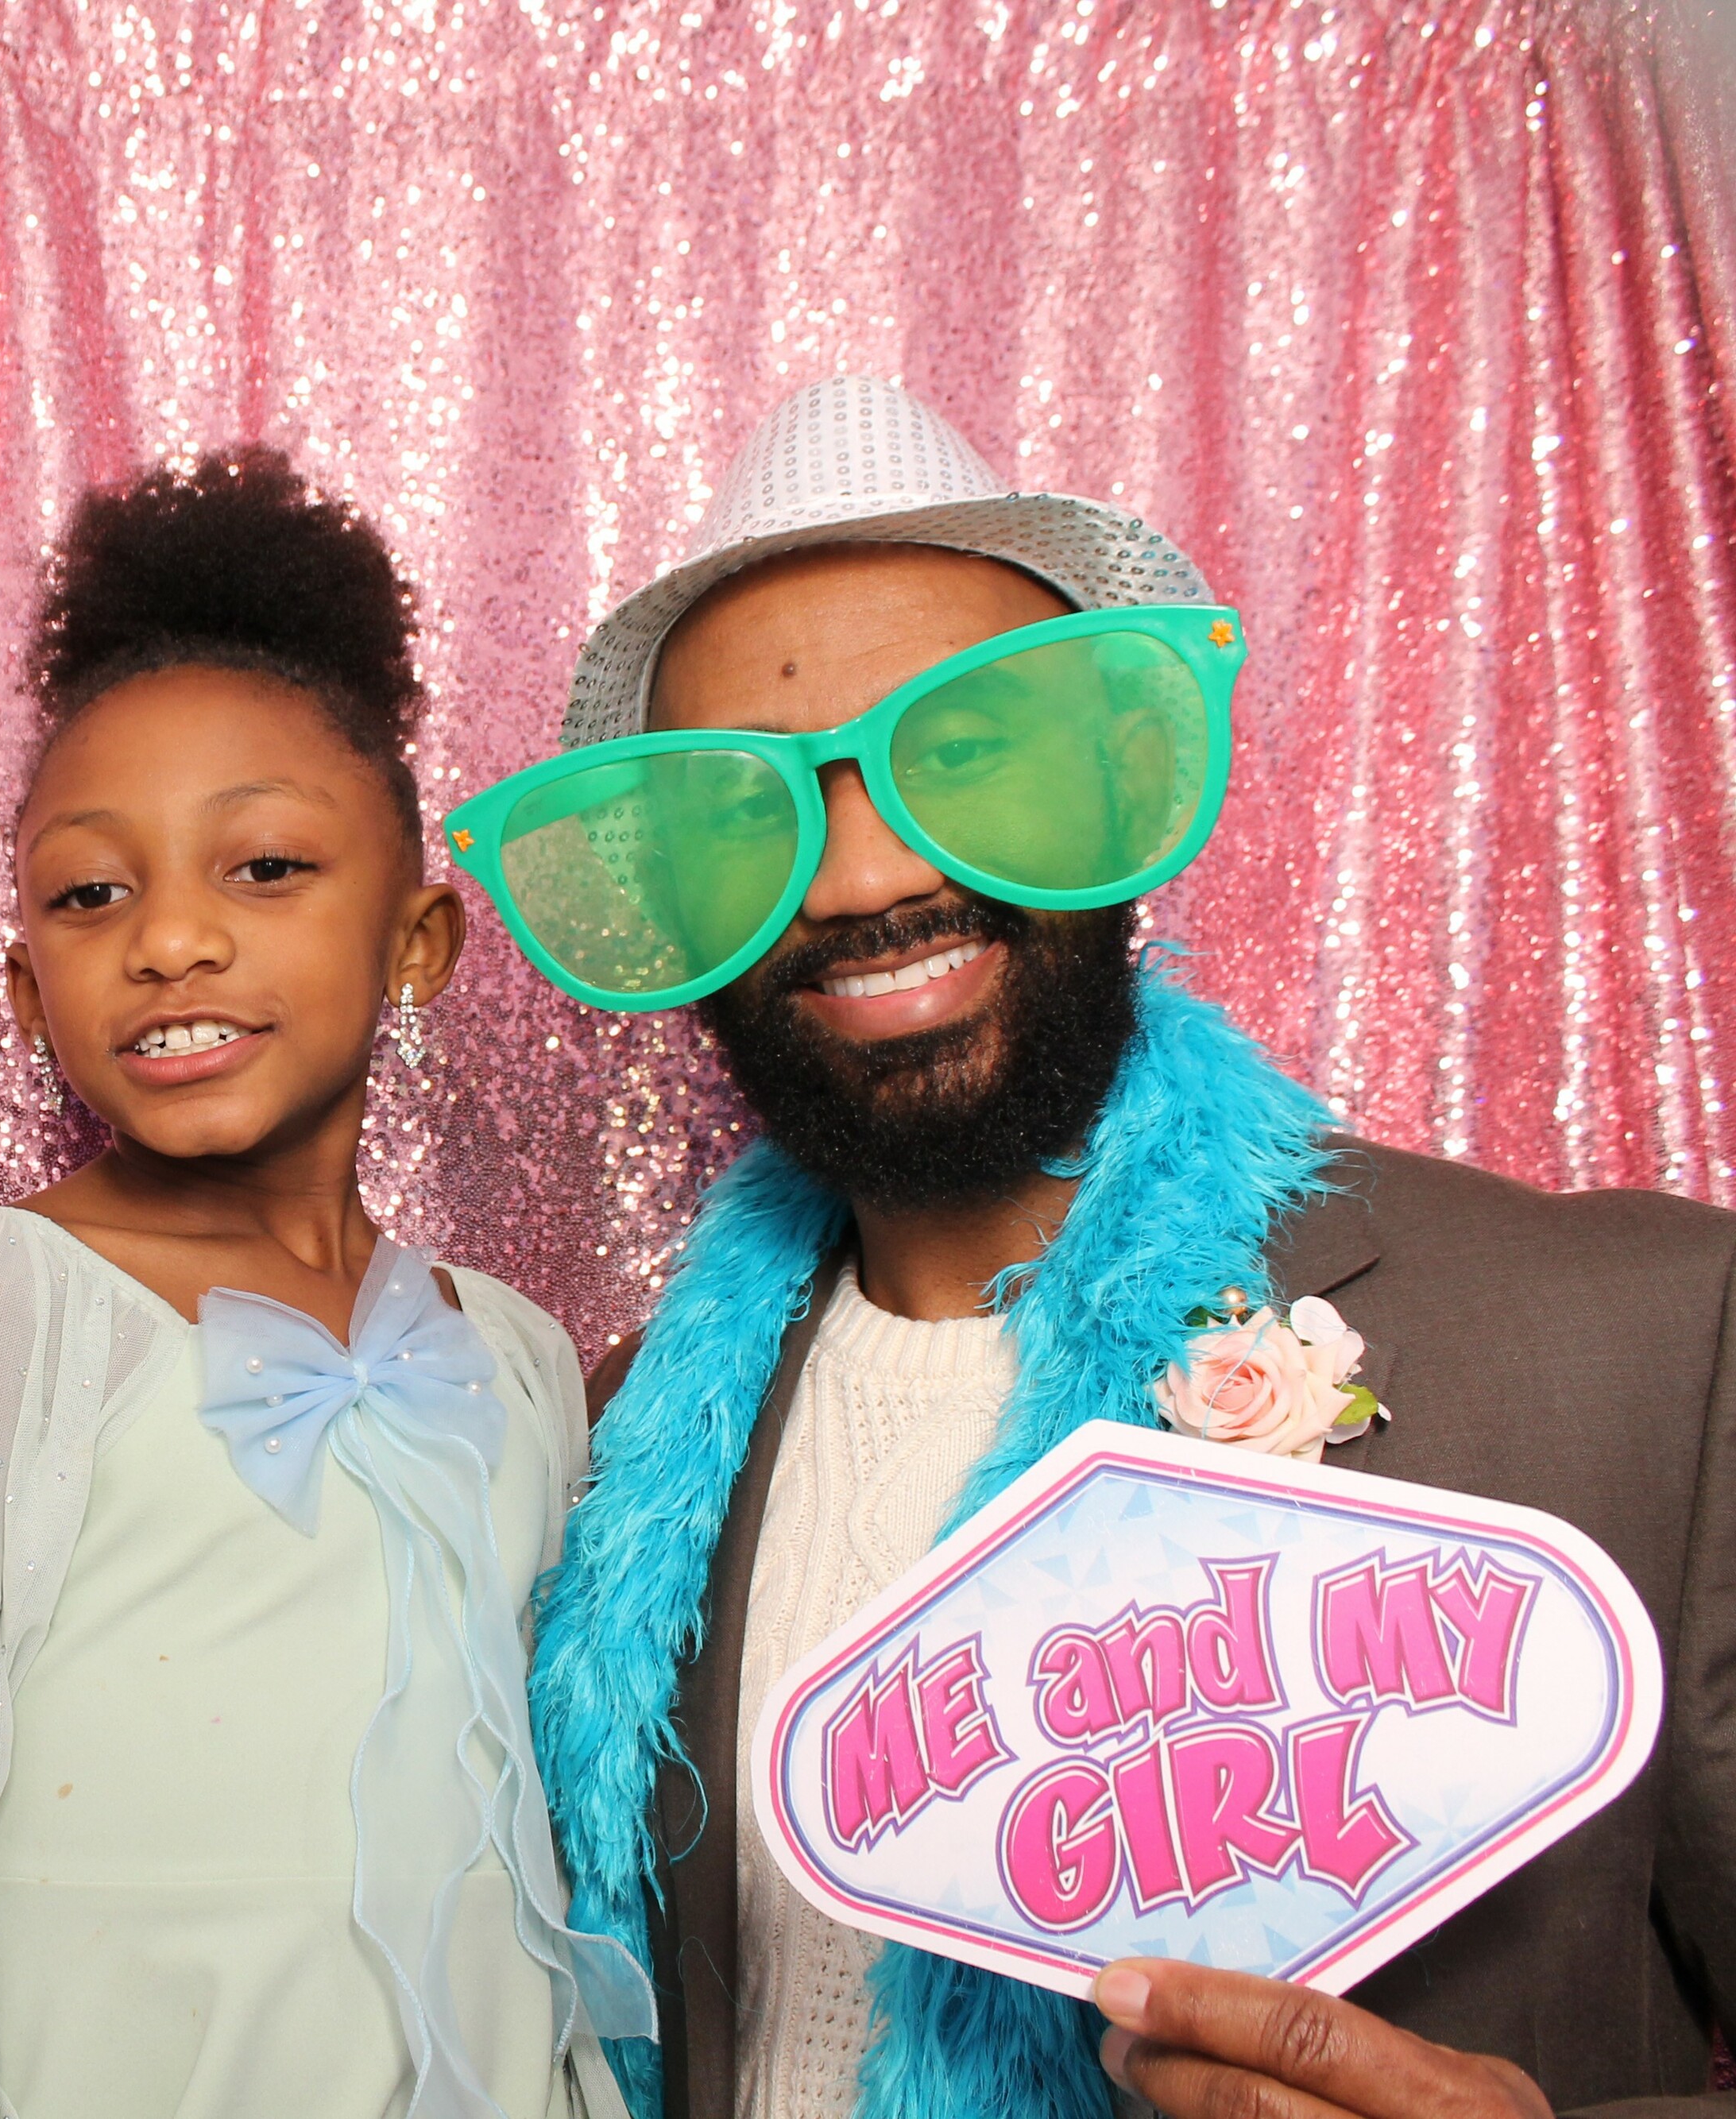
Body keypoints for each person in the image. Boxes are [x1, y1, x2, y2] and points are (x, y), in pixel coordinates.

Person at [457, 378, 1734, 2118]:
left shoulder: (1644, 1352)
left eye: (965, 754)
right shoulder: (626, 1451)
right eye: (752, 815)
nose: (860, 879)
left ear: (1122, 777)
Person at [0, 450, 652, 2119]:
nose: (168, 942)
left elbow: (547, 1847)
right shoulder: (1, 1300)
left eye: (264, 867)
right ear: (26, 990)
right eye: (92, 893)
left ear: (418, 942)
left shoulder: (510, 1351)